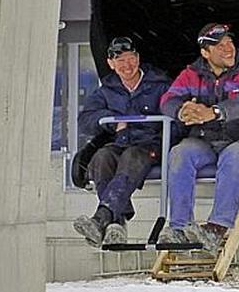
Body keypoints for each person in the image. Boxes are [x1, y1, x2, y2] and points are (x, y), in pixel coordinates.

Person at [157, 23, 239, 254]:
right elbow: (167, 99)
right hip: (204, 139)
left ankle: (217, 227)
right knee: (180, 152)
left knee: (234, 155)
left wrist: (216, 112)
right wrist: (182, 110)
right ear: (205, 53)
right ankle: (179, 226)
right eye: (220, 45)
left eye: (230, 43)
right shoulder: (191, 73)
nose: (229, 49)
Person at [73, 36, 172, 247]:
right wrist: (112, 123)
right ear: (111, 64)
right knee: (101, 158)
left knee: (131, 156)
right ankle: (115, 223)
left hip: (149, 146)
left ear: (138, 58)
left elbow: (176, 117)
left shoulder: (160, 85)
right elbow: (85, 121)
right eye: (120, 61)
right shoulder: (107, 90)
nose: (127, 65)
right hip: (120, 142)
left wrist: (156, 131)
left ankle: (103, 217)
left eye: (130, 58)